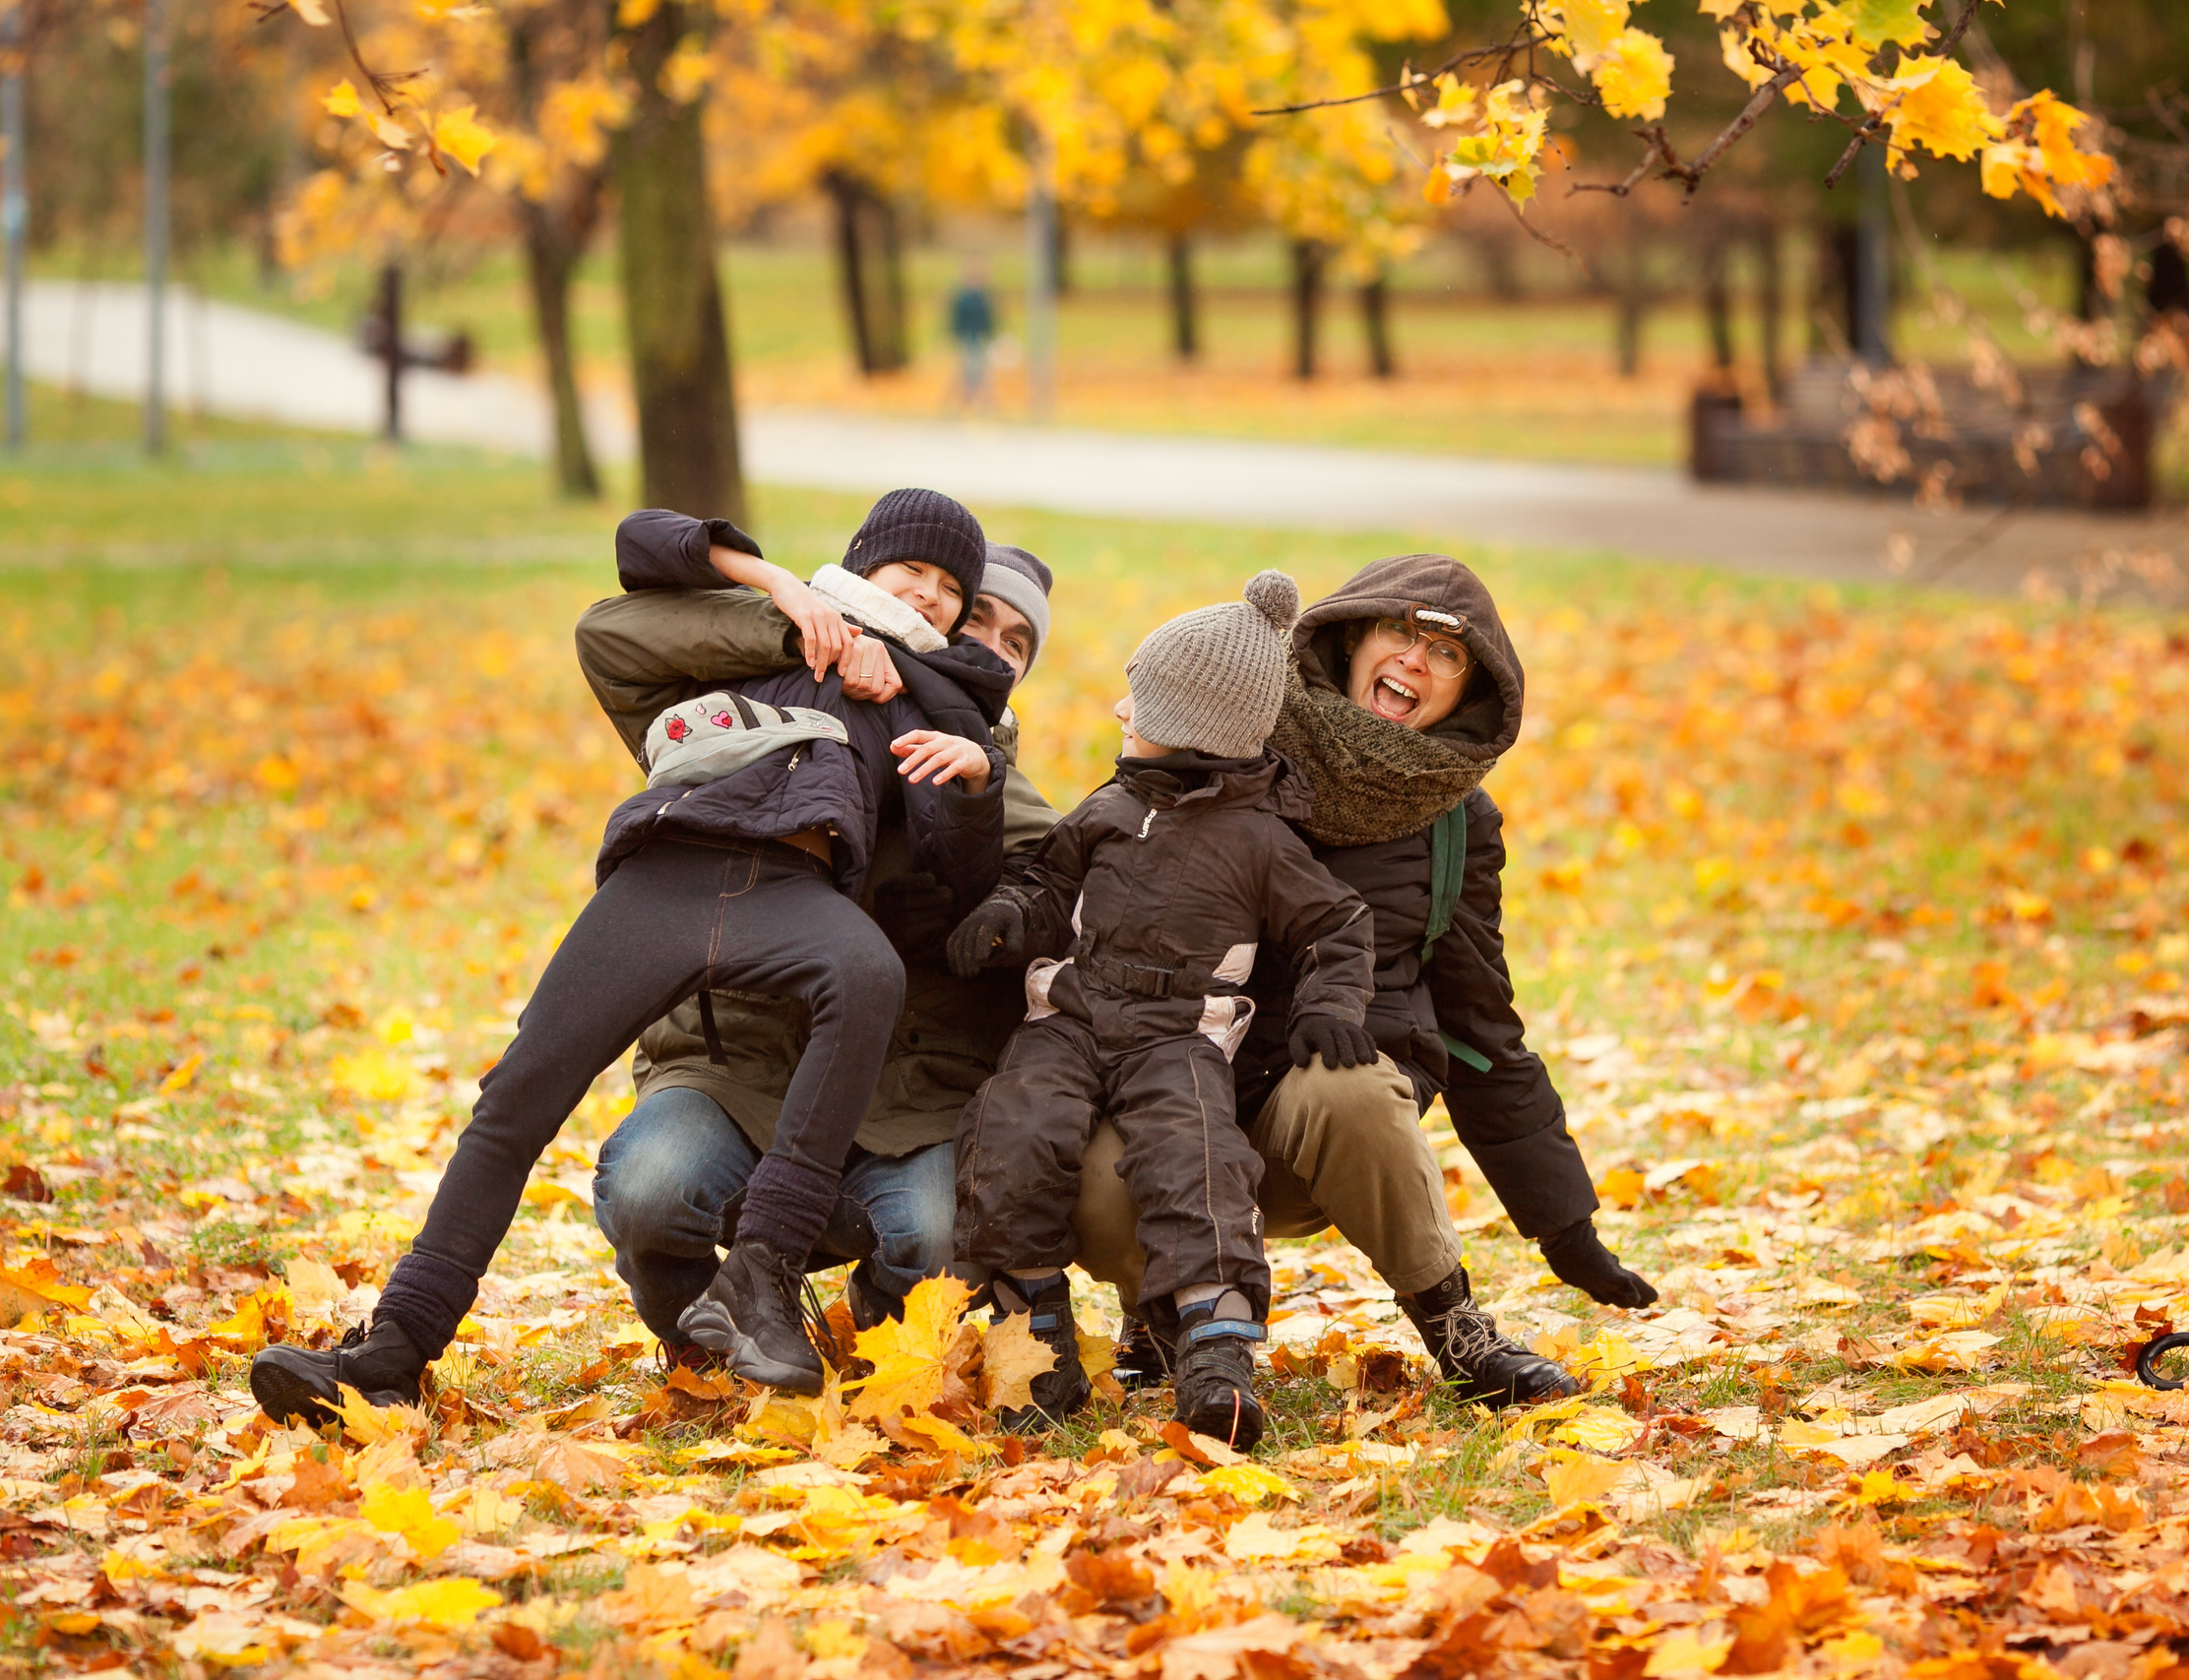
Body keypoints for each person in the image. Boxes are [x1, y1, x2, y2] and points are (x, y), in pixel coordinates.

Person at [247, 492, 1011, 1422]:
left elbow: (955, 868)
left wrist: (973, 780)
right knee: (515, 1097)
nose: (929, 597)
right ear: (861, 560)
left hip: (793, 893)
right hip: (664, 875)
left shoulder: (944, 696)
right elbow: (641, 544)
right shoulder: (758, 628)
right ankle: (396, 1346)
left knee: (868, 974)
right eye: (912, 573)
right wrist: (784, 596)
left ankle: (759, 1278)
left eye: (949, 589)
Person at [1074, 553, 1658, 1407]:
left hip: (1313, 1130)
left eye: (1447, 655)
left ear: (1469, 693)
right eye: (1400, 631)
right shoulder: (1222, 733)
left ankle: (1453, 1325)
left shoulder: (1457, 824)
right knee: (1087, 1171)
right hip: (1166, 1095)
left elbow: (1481, 1027)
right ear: (1352, 638)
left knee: (1349, 1087)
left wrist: (1565, 1226)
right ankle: (1162, 1311)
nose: (1416, 661)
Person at [583, 543, 1059, 1350]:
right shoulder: (765, 698)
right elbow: (611, 636)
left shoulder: (984, 768)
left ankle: (872, 1333)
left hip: (903, 1104)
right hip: (739, 1078)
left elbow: (1066, 876)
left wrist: (990, 898)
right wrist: (793, 618)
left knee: (943, 1237)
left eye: (1016, 643)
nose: (988, 645)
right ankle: (705, 1338)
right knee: (650, 1188)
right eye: (975, 615)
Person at [946, 574, 1375, 1445]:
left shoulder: (1261, 839)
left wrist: (1332, 1000)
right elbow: (1045, 884)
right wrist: (1003, 917)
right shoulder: (1108, 807)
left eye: (1137, 702)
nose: (1118, 710)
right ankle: (1034, 1335)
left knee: (1200, 1159)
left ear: (1187, 727)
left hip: (1179, 1033)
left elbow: (1339, 922)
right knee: (1013, 1129)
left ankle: (1214, 1346)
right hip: (1068, 1015)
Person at [948, 259, 996, 412]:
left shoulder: (980, 298)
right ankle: (970, 401)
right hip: (970, 338)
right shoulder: (968, 299)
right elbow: (959, 320)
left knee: (975, 371)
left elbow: (988, 320)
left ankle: (975, 401)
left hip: (977, 338)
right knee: (972, 371)